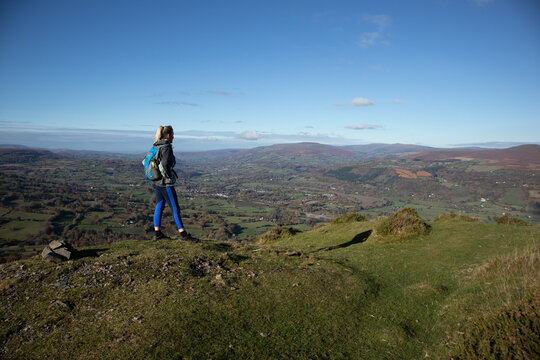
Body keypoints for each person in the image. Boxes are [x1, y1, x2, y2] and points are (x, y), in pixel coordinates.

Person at [151, 125, 198, 242]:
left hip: (156, 182)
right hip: (165, 183)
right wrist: (169, 176)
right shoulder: (166, 146)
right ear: (167, 135)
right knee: (175, 208)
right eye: (172, 135)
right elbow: (166, 164)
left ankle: (157, 233)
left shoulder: (156, 145)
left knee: (159, 206)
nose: (173, 138)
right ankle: (183, 234)